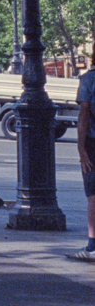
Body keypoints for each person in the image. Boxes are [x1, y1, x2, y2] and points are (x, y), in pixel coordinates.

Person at [72, 56, 95, 261]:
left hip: (92, 142)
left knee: (93, 194)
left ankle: (92, 246)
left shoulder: (89, 79)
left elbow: (84, 112)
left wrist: (81, 148)